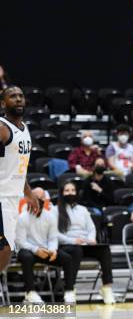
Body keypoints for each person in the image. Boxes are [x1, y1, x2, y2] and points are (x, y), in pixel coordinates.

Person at [54, 181, 115, 304]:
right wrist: (72, 240)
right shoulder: (55, 210)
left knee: (104, 249)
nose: (70, 193)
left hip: (85, 243)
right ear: (62, 193)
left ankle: (106, 288)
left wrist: (92, 239)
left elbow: (91, 228)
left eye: (72, 190)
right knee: (76, 250)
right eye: (67, 190)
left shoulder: (83, 209)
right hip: (66, 245)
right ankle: (70, 289)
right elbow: (54, 234)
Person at [16, 187, 77, 304]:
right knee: (26, 256)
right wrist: (36, 250)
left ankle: (69, 290)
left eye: (41, 197)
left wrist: (53, 250)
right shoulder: (22, 217)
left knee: (67, 258)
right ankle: (30, 292)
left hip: (46, 251)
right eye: (35, 197)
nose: (38, 200)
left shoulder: (50, 216)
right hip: (28, 250)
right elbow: (20, 241)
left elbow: (53, 238)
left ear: (45, 200)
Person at [0, 86, 38, 272]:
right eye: (13, 96)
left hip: (13, 198)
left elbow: (19, 168)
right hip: (1, 197)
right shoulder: (2, 128)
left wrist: (29, 194)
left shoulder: (25, 129)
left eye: (21, 96)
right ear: (2, 103)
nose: (18, 99)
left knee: (7, 248)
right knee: (5, 247)